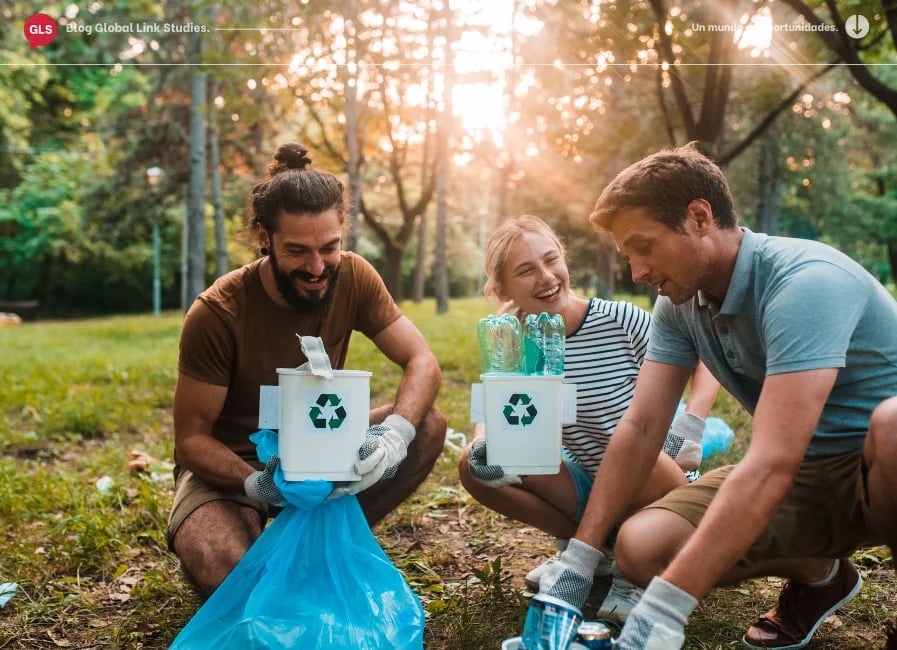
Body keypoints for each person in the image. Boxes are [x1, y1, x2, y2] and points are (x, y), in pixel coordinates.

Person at [525, 143, 897, 649]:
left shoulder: (805, 283)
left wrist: (663, 610)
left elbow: (771, 462)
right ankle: (822, 575)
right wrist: (581, 557)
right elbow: (639, 430)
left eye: (645, 246)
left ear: (699, 217)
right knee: (640, 547)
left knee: (894, 426)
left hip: (877, 470)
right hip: (806, 476)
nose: (637, 271)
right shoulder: (679, 304)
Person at [167, 143, 447, 597]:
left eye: (330, 248)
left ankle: (316, 542)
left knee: (427, 425)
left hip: (321, 450)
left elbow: (423, 361)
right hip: (232, 473)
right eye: (297, 251)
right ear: (264, 237)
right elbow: (192, 439)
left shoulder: (354, 276)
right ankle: (262, 543)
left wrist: (394, 436)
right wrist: (258, 483)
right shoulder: (217, 313)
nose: (317, 268)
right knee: (226, 570)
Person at [457, 215, 720, 621]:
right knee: (473, 466)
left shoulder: (619, 321)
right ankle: (592, 550)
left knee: (630, 450)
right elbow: (498, 407)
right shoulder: (516, 340)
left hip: (654, 482)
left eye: (551, 260)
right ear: (502, 288)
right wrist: (481, 443)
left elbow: (704, 360)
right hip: (588, 483)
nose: (546, 277)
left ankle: (632, 566)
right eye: (526, 270)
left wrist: (691, 423)